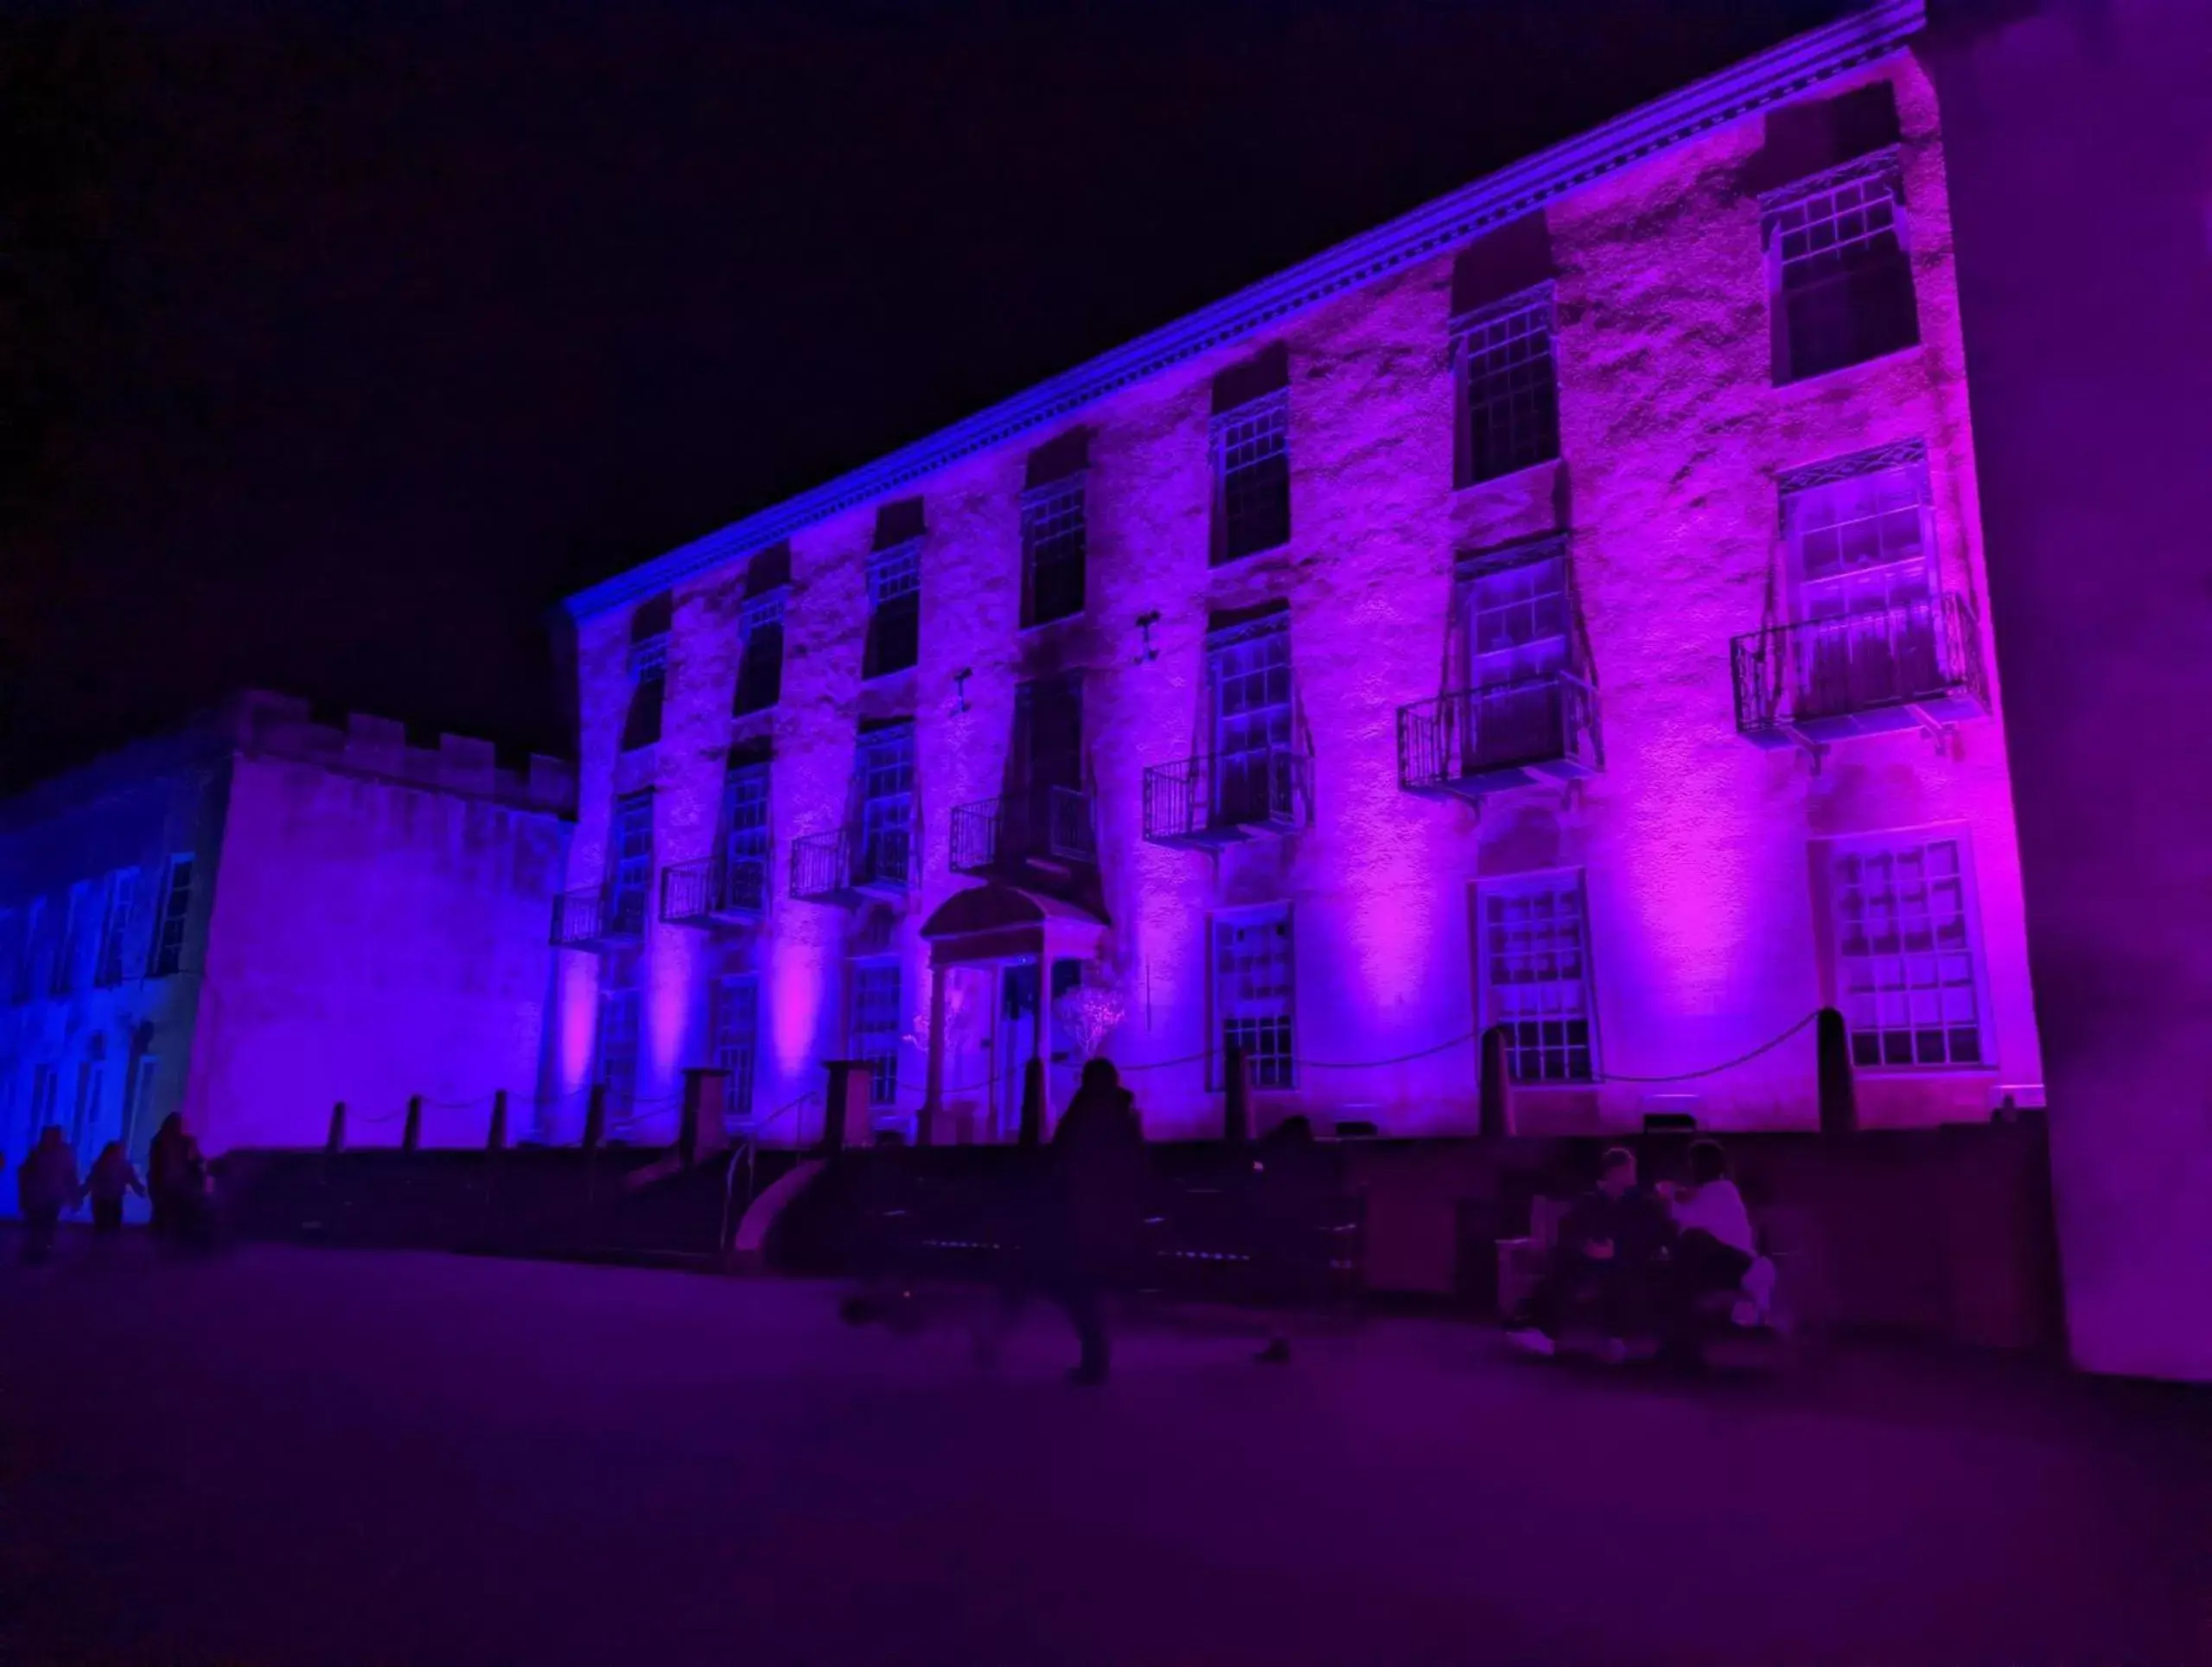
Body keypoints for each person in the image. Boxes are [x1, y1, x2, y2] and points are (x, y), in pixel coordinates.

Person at [1508, 1146, 1674, 1362]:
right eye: (1626, 1169)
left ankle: (1617, 1340)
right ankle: (1540, 1331)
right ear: (1612, 1173)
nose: (1631, 1174)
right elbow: (1569, 1232)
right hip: (1590, 1260)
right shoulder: (1590, 1201)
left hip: (1630, 1259)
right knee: (1561, 1266)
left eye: (1631, 1169)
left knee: (1620, 1272)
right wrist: (1587, 1247)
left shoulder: (1644, 1204)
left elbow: (1657, 1234)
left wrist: (1618, 1247)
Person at [1041, 1057, 1148, 1385]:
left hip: (1084, 1210)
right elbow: (1134, 1161)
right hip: (1106, 1211)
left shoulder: (1086, 1112)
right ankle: (1096, 1350)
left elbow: (1064, 1155)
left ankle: (1095, 1352)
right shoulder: (1121, 1113)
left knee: (1076, 1283)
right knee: (1083, 1283)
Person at [1247, 1115, 1339, 1365]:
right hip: (1303, 1233)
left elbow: (1256, 1168)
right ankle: (1284, 1336)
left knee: (1277, 1286)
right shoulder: (1312, 1160)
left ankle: (1279, 1338)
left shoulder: (1273, 1158)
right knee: (1289, 1285)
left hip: (1279, 1230)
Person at [1661, 1140, 1759, 1328]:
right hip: (1719, 1259)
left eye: (1692, 1163)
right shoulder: (1710, 1191)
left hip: (1734, 1261)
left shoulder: (1723, 1190)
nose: (1689, 1169)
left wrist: (1669, 1198)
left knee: (1693, 1240)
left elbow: (1688, 1220)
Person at [17, 1127, 80, 1265]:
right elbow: (70, 1176)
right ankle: (40, 1249)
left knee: (43, 1225)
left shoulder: (41, 1152)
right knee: (42, 1225)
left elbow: (70, 1176)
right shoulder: (57, 1153)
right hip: (45, 1195)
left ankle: (40, 1249)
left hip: (46, 1195)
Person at [85, 1140, 147, 1236]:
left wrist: (82, 1192)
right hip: (109, 1198)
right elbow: (132, 1180)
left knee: (104, 1226)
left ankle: (101, 1246)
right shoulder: (121, 1165)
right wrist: (141, 1190)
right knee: (110, 1226)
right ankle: (106, 1246)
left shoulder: (102, 1164)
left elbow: (91, 1181)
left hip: (104, 1198)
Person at [148, 1114, 190, 1240]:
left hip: (172, 1182)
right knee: (165, 1212)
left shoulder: (176, 1141)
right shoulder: (166, 1142)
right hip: (168, 1182)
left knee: (167, 1212)